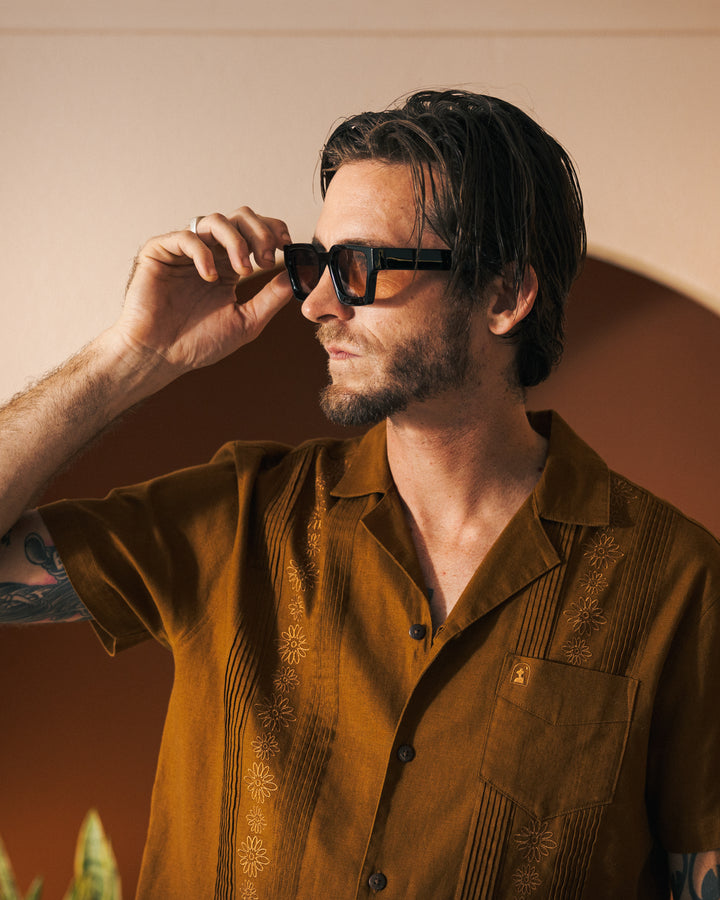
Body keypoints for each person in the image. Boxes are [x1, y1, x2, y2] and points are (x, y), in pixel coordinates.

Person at [0, 89, 718, 899]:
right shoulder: (237, 518)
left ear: (503, 295)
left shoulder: (678, 583)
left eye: (360, 269)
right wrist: (128, 358)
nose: (315, 304)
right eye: (316, 263)